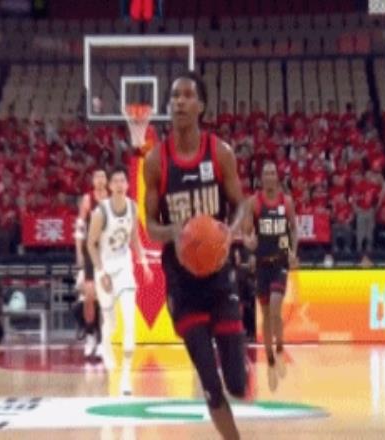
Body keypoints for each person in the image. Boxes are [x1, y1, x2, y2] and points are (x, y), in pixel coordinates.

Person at [144, 71, 246, 440]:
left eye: (187, 96)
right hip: (182, 282)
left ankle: (239, 361)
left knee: (236, 384)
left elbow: (241, 206)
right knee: (210, 382)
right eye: (175, 96)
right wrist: (175, 233)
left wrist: (229, 233)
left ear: (201, 106)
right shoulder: (156, 160)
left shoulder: (220, 153)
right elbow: (150, 225)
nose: (179, 102)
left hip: (218, 278)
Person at [87, 166, 152, 389]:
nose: (119, 185)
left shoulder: (133, 207)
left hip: (124, 267)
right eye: (115, 181)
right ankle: (106, 345)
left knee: (129, 320)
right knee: (111, 323)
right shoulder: (101, 212)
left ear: (127, 184)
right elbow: (91, 244)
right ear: (110, 185)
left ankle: (126, 376)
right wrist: (101, 272)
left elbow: (134, 239)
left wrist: (144, 262)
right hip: (105, 269)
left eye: (122, 181)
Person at [242, 161, 299, 392]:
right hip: (262, 265)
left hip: (280, 263)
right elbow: (247, 233)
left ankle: (280, 347)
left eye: (272, 172)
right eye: (265, 173)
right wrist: (249, 244)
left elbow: (294, 229)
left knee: (275, 306)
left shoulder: (287, 202)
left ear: (277, 177)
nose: (269, 176)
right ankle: (270, 359)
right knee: (266, 315)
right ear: (261, 178)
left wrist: (294, 251)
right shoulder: (254, 203)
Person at [74, 168, 108, 357]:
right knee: (89, 296)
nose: (100, 179)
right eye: (97, 177)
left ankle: (102, 339)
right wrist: (79, 251)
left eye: (103, 176)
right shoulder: (87, 200)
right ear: (93, 181)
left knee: (104, 299)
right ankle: (90, 335)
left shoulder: (112, 199)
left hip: (107, 253)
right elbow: (80, 227)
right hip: (90, 251)